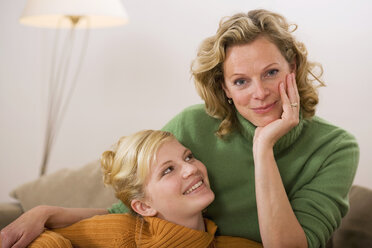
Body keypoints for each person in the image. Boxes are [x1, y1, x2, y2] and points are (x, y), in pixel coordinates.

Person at [1, 9, 359, 248]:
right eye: (240, 81)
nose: (260, 93)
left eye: (271, 72)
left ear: (292, 67)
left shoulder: (335, 147)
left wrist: (263, 148)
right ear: (224, 88)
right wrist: (45, 212)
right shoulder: (191, 125)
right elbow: (132, 212)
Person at [22, 130, 262, 248]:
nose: (191, 170)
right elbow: (43, 240)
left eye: (188, 157)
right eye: (168, 170)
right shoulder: (122, 233)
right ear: (144, 206)